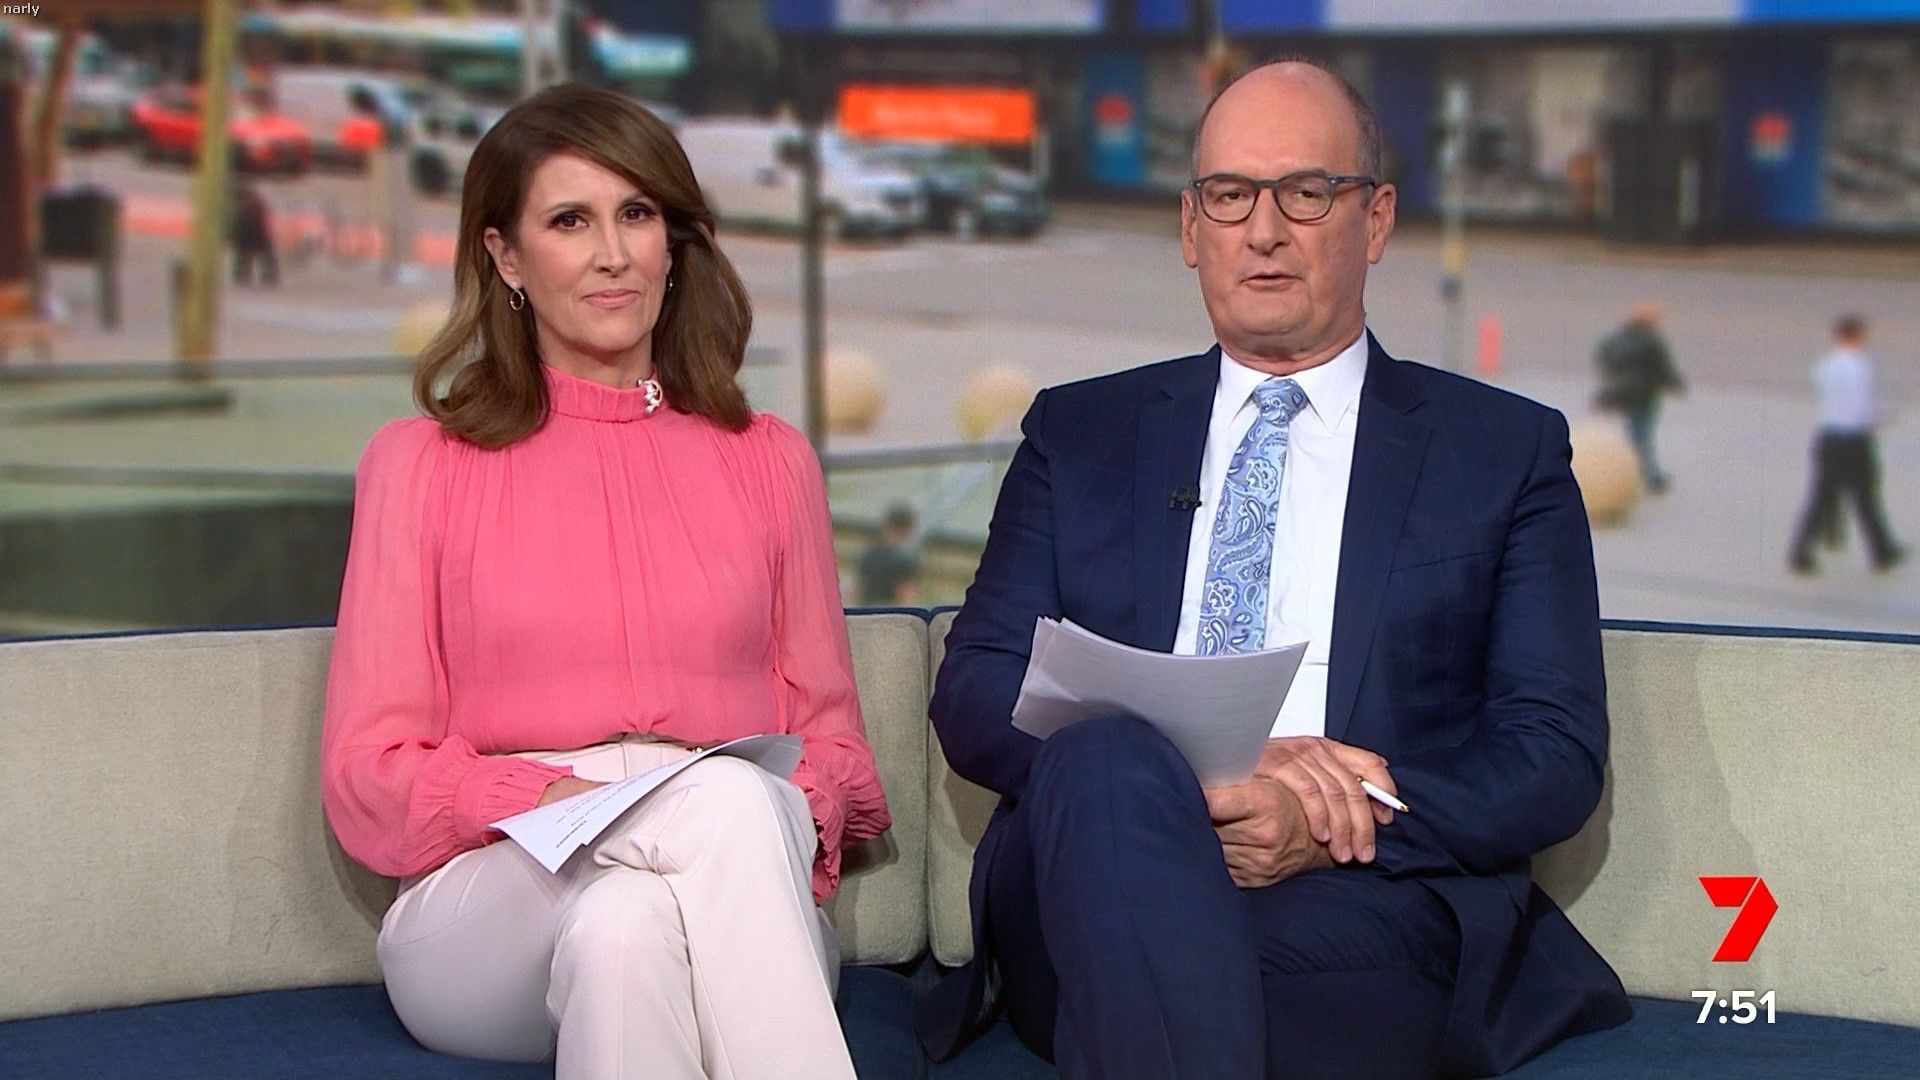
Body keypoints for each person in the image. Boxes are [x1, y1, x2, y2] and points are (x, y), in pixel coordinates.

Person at [917, 57, 1629, 1079]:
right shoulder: (1079, 434)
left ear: (1375, 220)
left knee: (1166, 981)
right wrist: (1193, 782)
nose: (1262, 230)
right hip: (1093, 867)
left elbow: (1551, 752)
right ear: (1189, 227)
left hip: (1360, 891)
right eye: (1229, 194)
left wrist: (1328, 815)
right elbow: (978, 688)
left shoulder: (1501, 452)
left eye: (1305, 192)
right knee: (1107, 760)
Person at [320, 84, 889, 1080]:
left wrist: (790, 801)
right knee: (718, 803)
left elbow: (833, 743)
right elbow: (369, 771)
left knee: (628, 925)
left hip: (729, 875)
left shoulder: (769, 460)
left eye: (637, 213)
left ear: (673, 243)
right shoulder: (420, 465)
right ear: (505, 256)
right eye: (570, 221)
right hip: (495, 892)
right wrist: (561, 797)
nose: (614, 253)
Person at [1789, 314, 1906, 575]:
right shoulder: (1860, 366)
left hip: (1828, 438)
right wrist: (1882, 416)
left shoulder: (1824, 365)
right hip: (1854, 442)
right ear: (1857, 336)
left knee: (1822, 497)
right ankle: (1882, 552)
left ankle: (1801, 552)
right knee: (1866, 497)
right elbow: (1861, 408)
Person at [1593, 302, 1683, 493]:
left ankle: (1628, 473)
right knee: (1641, 436)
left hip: (1622, 393)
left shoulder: (1619, 338)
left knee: (1632, 434)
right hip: (1645, 395)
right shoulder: (1652, 343)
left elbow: (1603, 356)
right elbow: (1663, 368)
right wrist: (1676, 385)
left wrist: (1612, 378)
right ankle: (1649, 478)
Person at [857, 504, 922, 605]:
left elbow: (857, 589)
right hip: (890, 612)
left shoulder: (870, 554)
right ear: (907, 531)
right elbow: (906, 595)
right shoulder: (905, 560)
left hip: (867, 610)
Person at [231, 182, 278, 287]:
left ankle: (242, 275)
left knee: (244, 257)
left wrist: (236, 236)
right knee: (263, 257)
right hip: (257, 235)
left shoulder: (246, 207)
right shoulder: (256, 205)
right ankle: (267, 276)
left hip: (251, 235)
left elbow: (238, 223)